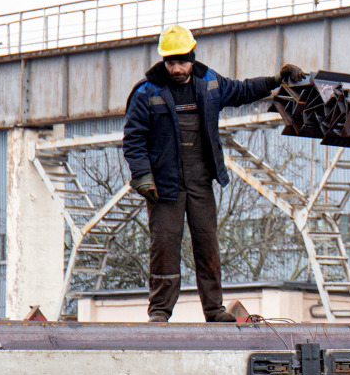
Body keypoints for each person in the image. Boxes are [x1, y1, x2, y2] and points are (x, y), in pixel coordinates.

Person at [122, 25, 305, 323]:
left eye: (181, 62)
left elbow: (242, 90)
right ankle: (159, 312)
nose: (176, 68)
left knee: (207, 244)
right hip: (164, 186)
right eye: (171, 62)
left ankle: (214, 310)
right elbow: (133, 140)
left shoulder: (209, 82)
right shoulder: (146, 91)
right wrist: (142, 176)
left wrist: (275, 80)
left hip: (200, 180)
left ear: (192, 58)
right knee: (164, 246)